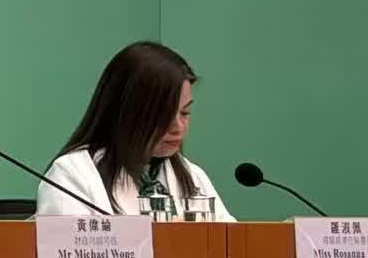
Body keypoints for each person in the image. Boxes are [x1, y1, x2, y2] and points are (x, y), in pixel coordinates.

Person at [37, 41, 234, 220]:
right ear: (125, 112)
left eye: (185, 112)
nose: (178, 127)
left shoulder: (192, 176)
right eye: (163, 114)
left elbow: (231, 243)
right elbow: (62, 247)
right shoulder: (72, 175)